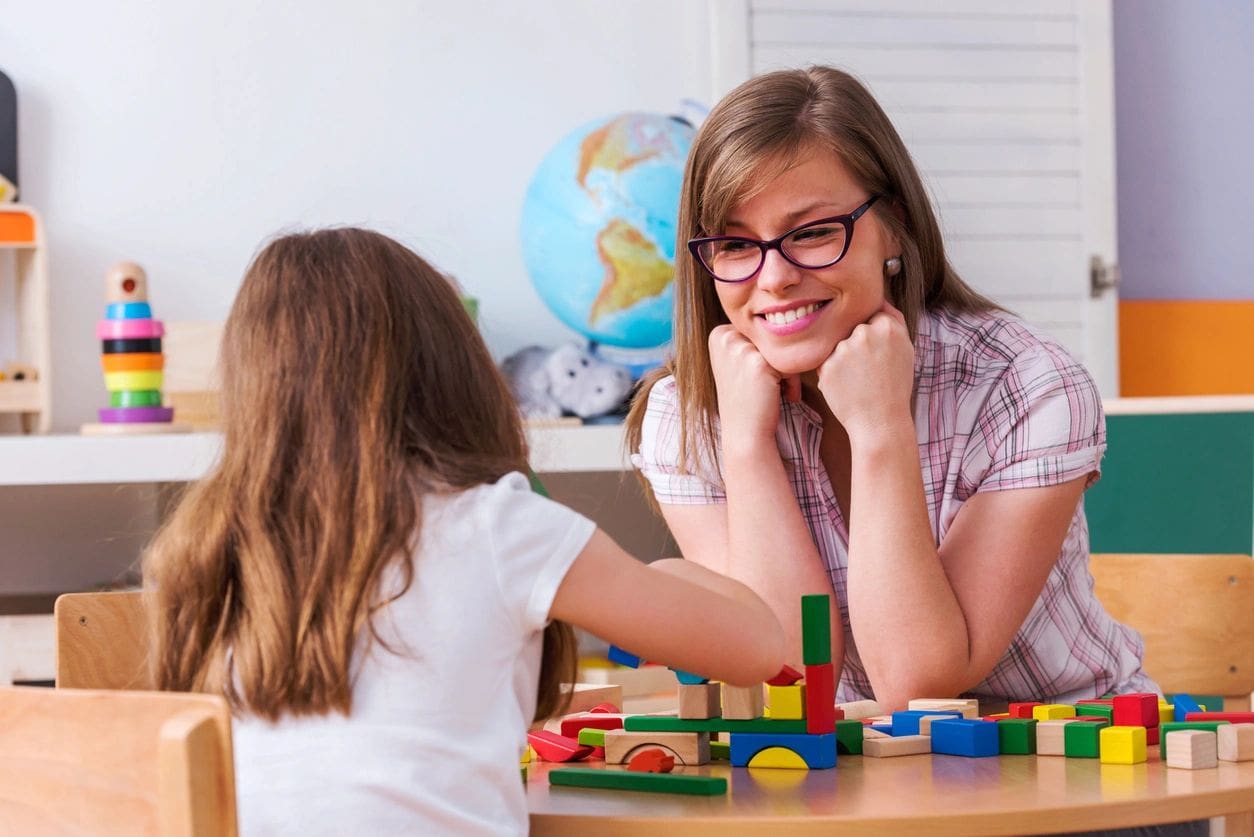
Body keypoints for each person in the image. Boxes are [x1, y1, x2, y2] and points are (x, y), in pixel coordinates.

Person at [143, 228, 785, 836]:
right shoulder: (495, 524)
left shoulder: (205, 547)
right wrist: (662, 579)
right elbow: (758, 649)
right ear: (452, 371)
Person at [626, 66, 1156, 713]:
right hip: (864, 783)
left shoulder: (1027, 385)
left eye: (814, 232)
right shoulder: (691, 417)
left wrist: (880, 430)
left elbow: (919, 679)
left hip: (1083, 774)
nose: (775, 277)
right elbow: (787, 667)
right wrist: (747, 445)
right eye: (736, 244)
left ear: (892, 226)